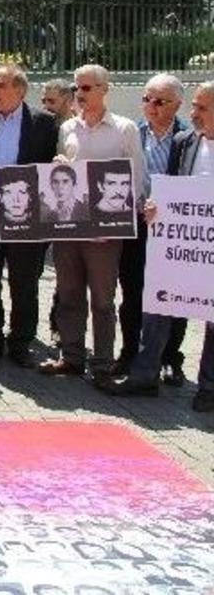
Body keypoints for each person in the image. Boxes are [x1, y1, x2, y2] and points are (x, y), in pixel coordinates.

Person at [104, 81, 214, 412]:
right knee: (158, 306)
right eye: (193, 105)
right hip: (178, 244)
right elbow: (171, 187)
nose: (192, 113)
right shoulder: (186, 142)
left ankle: (209, 387)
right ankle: (144, 376)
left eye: (201, 108)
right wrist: (157, 206)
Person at [40, 63, 146, 386]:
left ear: (104, 89)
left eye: (86, 88)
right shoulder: (67, 128)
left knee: (102, 300)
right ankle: (71, 357)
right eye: (76, 88)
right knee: (69, 294)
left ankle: (102, 363)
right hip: (69, 226)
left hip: (105, 232)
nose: (80, 94)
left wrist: (119, 221)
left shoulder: (125, 129)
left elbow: (137, 179)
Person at [0, 62, 58, 367]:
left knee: (24, 279)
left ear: (20, 90)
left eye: (0, 85)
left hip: (26, 213)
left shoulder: (44, 123)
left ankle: (20, 342)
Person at [116, 73, 188, 378]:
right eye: (147, 99)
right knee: (132, 293)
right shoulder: (131, 132)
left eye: (160, 101)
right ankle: (130, 353)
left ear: (177, 105)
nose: (151, 106)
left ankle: (170, 357)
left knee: (174, 296)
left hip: (173, 229)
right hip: (136, 225)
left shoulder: (188, 138)